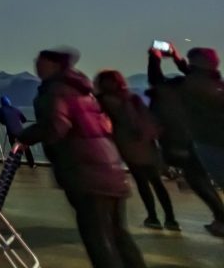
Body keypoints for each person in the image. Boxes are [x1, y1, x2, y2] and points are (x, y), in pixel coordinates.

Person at [20, 48, 145, 268]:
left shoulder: (54, 90)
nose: (36, 66)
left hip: (85, 171)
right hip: (110, 168)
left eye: (41, 62)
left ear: (55, 66)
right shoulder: (83, 90)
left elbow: (57, 126)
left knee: (97, 238)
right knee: (118, 233)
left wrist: (25, 136)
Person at [146, 45, 224, 236]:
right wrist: (176, 58)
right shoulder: (215, 81)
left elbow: (157, 82)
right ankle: (220, 219)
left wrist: (154, 58)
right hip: (214, 141)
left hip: (204, 143)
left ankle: (222, 219)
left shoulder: (187, 84)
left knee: (198, 181)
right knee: (201, 180)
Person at [94, 70, 179, 231]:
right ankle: (170, 219)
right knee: (156, 182)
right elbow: (148, 119)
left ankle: (153, 216)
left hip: (127, 143)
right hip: (146, 143)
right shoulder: (133, 98)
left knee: (142, 182)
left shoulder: (103, 101)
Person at [0, 96, 35, 168]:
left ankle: (17, 164)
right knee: (26, 147)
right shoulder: (15, 109)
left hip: (11, 132)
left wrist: (7, 122)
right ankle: (32, 164)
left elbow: (1, 120)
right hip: (21, 131)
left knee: (15, 147)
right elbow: (24, 120)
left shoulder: (1, 110)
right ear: (9, 102)